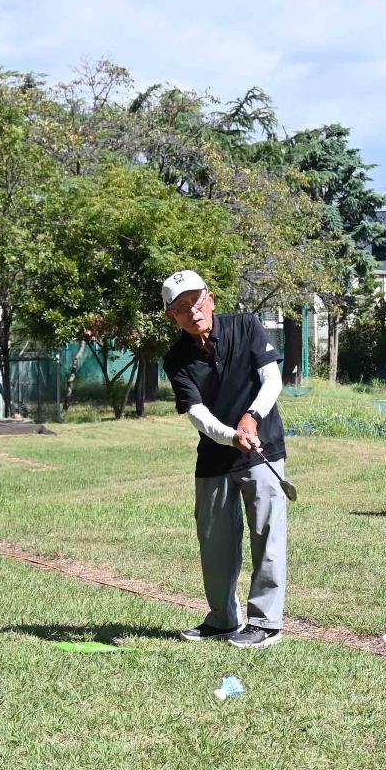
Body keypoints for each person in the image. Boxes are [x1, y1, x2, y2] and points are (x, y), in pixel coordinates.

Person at [161, 270, 289, 649]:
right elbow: (197, 414)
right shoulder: (177, 359)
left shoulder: (246, 326)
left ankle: (266, 624)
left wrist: (251, 418)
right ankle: (222, 619)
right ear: (173, 317)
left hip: (262, 451)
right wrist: (231, 436)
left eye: (196, 301)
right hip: (215, 456)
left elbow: (272, 380)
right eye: (181, 308)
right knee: (214, 542)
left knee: (267, 536)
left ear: (211, 299)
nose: (192, 311)